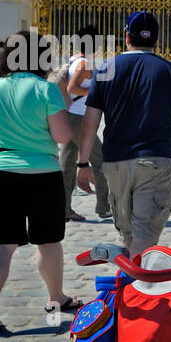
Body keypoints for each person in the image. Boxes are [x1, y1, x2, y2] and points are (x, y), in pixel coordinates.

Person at [0, 31, 84, 336]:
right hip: (41, 172)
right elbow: (62, 136)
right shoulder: (45, 89)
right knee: (48, 241)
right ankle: (55, 297)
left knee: (1, 243)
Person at [77, 11, 171, 257]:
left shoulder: (106, 69)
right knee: (144, 238)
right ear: (157, 40)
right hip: (155, 161)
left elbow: (89, 123)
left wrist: (83, 163)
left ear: (126, 37)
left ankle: (129, 289)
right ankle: (136, 290)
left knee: (128, 236)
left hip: (115, 162)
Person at [56, 25, 110, 222]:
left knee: (66, 166)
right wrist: (95, 93)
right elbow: (73, 88)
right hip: (78, 119)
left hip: (69, 117)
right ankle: (104, 207)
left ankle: (63, 209)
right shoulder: (84, 63)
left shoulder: (73, 60)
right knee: (101, 159)